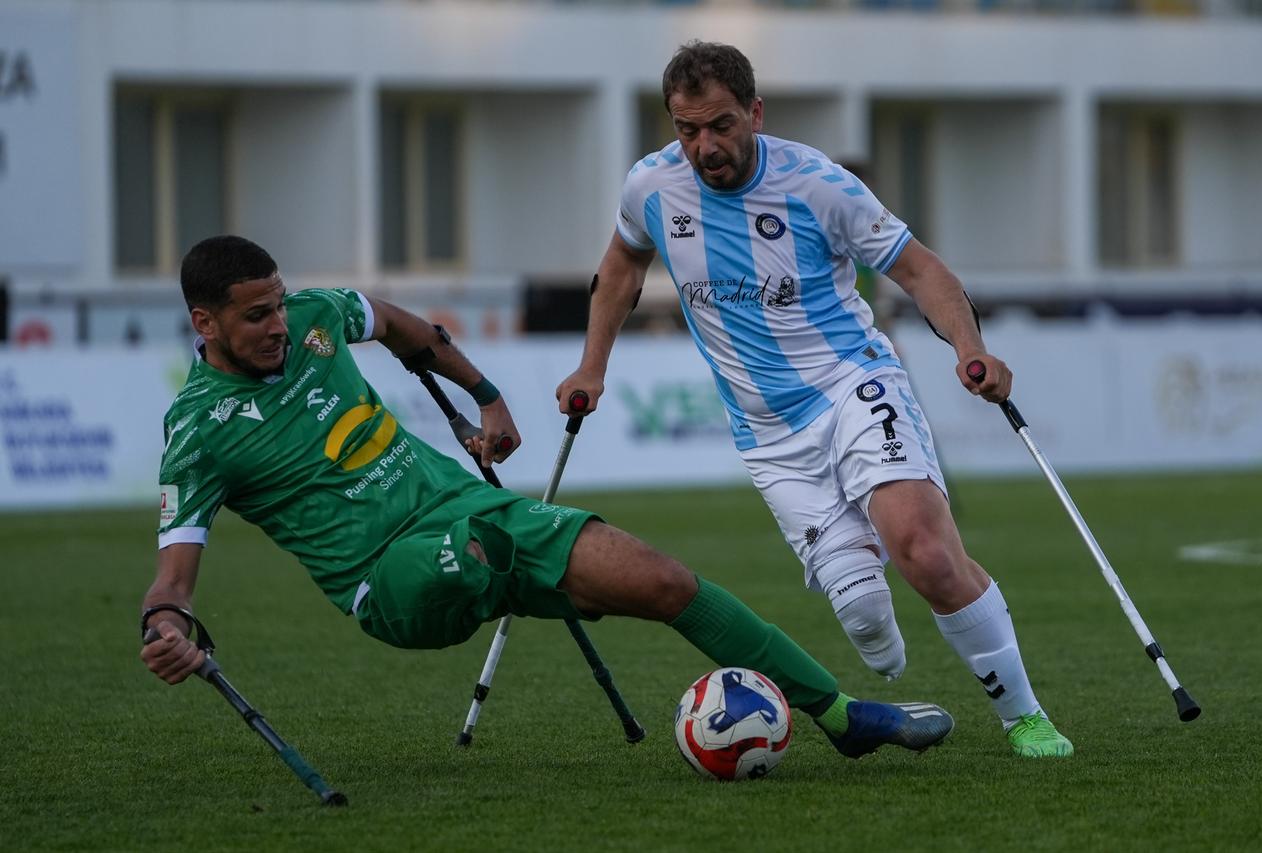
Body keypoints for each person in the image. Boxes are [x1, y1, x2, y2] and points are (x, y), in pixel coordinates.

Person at [139, 234, 955, 763]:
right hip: (387, 581)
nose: (279, 323)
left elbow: (396, 324)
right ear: (203, 323)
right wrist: (167, 627)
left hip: (473, 511)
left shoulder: (316, 319)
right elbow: (172, 579)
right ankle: (500, 561)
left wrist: (487, 396)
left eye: (279, 303)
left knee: (666, 580)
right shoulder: (199, 432)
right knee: (485, 550)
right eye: (255, 316)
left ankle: (843, 716)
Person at [555, 42, 1072, 758]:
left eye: (722, 125)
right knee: (865, 620)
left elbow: (922, 271)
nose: (705, 146)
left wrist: (970, 347)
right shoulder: (649, 186)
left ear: (755, 113)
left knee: (925, 551)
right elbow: (620, 267)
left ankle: (1025, 714)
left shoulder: (816, 183)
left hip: (853, 386)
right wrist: (592, 367)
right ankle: (890, 660)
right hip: (767, 436)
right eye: (687, 129)